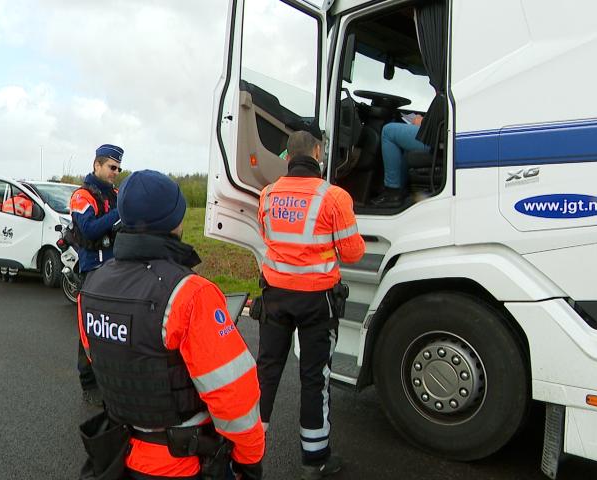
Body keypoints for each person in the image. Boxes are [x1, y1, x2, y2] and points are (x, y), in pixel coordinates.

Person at [78, 170, 264, 480]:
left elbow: (100, 359)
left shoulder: (92, 285)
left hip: (118, 456)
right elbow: (234, 395)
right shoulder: (191, 293)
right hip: (181, 463)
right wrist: (250, 459)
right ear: (175, 222)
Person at [255, 131, 365, 479]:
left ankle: (248, 450)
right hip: (317, 300)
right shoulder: (334, 196)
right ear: (317, 153)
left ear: (288, 157)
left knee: (266, 372)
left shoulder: (268, 194)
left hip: (275, 296)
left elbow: (268, 236)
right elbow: (353, 253)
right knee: (315, 378)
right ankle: (315, 458)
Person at [70, 144, 124, 405]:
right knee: (90, 328)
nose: (116, 172)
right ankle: (89, 382)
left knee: (117, 327)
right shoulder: (82, 196)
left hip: (117, 269)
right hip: (92, 270)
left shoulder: (116, 194)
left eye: (119, 168)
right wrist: (119, 212)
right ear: (97, 165)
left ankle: (112, 378)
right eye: (112, 167)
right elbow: (90, 229)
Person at [368, 114, 430, 207]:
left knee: (388, 131)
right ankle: (400, 189)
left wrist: (424, 122)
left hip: (436, 136)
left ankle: (392, 192)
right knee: (401, 137)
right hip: (438, 133)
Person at [0, 191, 35, 282]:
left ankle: (3, 274)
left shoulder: (8, 200)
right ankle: (12, 276)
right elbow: (28, 217)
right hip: (16, 228)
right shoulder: (28, 202)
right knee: (14, 252)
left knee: (5, 251)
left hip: (5, 228)